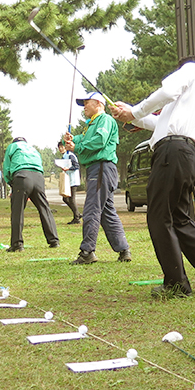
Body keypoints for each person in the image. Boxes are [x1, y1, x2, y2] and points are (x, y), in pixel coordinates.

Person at [110, 57, 195, 298]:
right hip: (186, 155)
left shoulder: (191, 69)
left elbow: (167, 90)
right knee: (179, 218)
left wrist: (135, 109)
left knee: (159, 216)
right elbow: (159, 123)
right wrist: (130, 115)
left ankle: (177, 284)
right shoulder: (192, 101)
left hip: (172, 152)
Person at [64, 92, 131, 265]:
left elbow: (99, 141)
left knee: (91, 210)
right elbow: (84, 138)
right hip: (98, 169)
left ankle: (87, 252)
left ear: (98, 104)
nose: (84, 106)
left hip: (102, 168)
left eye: (87, 102)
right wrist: (72, 140)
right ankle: (124, 250)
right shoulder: (91, 124)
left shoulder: (105, 120)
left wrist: (77, 145)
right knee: (107, 212)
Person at [2, 137, 59, 252]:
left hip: (22, 176)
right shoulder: (33, 149)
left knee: (18, 211)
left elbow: (6, 166)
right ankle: (54, 240)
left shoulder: (12, 147)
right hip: (38, 177)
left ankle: (17, 244)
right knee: (44, 209)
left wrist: (10, 183)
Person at [57, 141, 81, 224]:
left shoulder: (70, 155)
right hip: (68, 180)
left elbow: (76, 166)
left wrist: (68, 168)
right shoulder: (65, 156)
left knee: (71, 199)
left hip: (73, 180)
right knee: (65, 198)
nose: (61, 148)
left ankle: (77, 218)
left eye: (62, 147)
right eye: (59, 147)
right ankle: (77, 214)